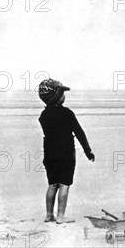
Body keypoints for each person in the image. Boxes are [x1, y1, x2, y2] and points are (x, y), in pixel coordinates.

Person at [38, 78, 95, 224]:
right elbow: (79, 133)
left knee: (52, 184)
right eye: (62, 93)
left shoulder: (43, 116)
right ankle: (61, 216)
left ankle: (49, 215)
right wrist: (88, 151)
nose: (64, 96)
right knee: (64, 184)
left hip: (49, 154)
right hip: (66, 154)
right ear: (56, 96)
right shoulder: (67, 113)